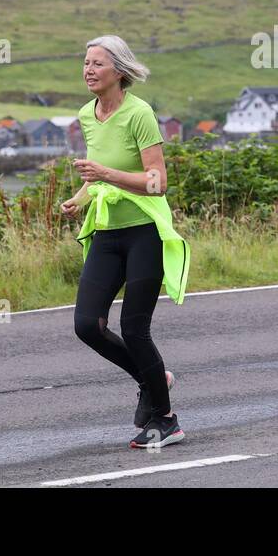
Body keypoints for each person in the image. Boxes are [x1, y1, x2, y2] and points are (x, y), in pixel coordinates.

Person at [60, 35, 185, 449]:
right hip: (107, 231)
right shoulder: (87, 113)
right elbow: (99, 173)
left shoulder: (139, 114)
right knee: (87, 326)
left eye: (97, 63)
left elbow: (157, 182)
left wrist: (107, 176)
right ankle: (152, 379)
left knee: (134, 329)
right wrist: (79, 198)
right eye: (85, 62)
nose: (88, 70)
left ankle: (166, 420)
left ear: (119, 71)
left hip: (144, 232)